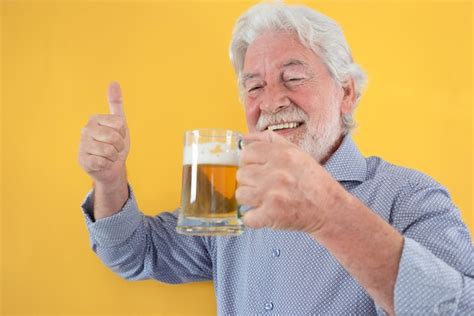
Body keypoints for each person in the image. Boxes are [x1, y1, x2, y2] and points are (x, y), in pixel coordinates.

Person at [78, 2, 474, 315]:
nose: (270, 101)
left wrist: (330, 213)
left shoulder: (408, 195)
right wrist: (110, 181)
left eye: (294, 78)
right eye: (254, 86)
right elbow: (134, 253)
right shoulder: (225, 194)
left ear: (347, 93)